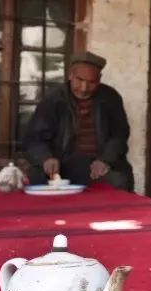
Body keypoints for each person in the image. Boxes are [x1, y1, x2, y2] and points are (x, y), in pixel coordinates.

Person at [21, 51, 134, 191]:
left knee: (118, 181)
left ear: (99, 79)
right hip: (62, 164)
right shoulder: (53, 100)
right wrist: (46, 158)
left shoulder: (110, 98)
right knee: (36, 179)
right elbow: (34, 139)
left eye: (91, 82)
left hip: (96, 165)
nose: (84, 88)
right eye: (79, 80)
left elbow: (119, 135)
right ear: (70, 75)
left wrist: (106, 160)